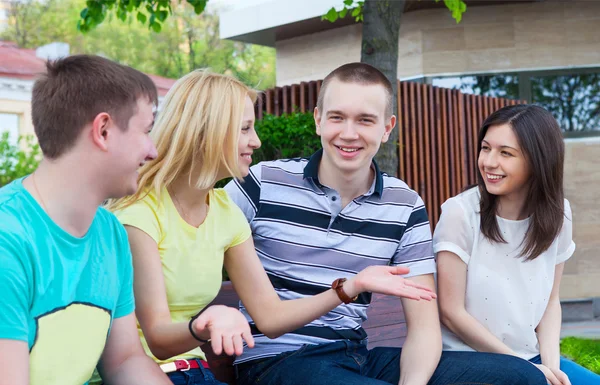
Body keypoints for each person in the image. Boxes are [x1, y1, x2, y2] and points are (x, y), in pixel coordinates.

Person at [224, 63, 548, 385]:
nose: (349, 134)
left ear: (387, 127)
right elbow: (190, 233)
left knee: (520, 377)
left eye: (365, 120)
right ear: (318, 119)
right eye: (337, 117)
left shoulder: (404, 204)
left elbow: (423, 329)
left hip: (355, 357)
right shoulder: (263, 183)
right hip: (277, 362)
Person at [107, 69, 435, 385]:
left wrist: (350, 286)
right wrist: (208, 323)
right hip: (156, 371)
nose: (257, 140)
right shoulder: (139, 214)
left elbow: (271, 318)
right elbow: (157, 339)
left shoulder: (223, 211)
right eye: (245, 128)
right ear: (209, 130)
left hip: (197, 370)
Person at [0, 55, 171, 385]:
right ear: (103, 130)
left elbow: (124, 361)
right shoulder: (8, 240)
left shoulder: (110, 234)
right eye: (146, 131)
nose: (153, 152)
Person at [434, 104, 600, 385]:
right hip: (468, 360)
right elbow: (451, 313)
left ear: (538, 161)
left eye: (505, 153)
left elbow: (550, 302)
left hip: (529, 359)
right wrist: (525, 369)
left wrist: (551, 367)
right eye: (485, 148)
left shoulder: (559, 214)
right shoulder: (460, 213)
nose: (488, 161)